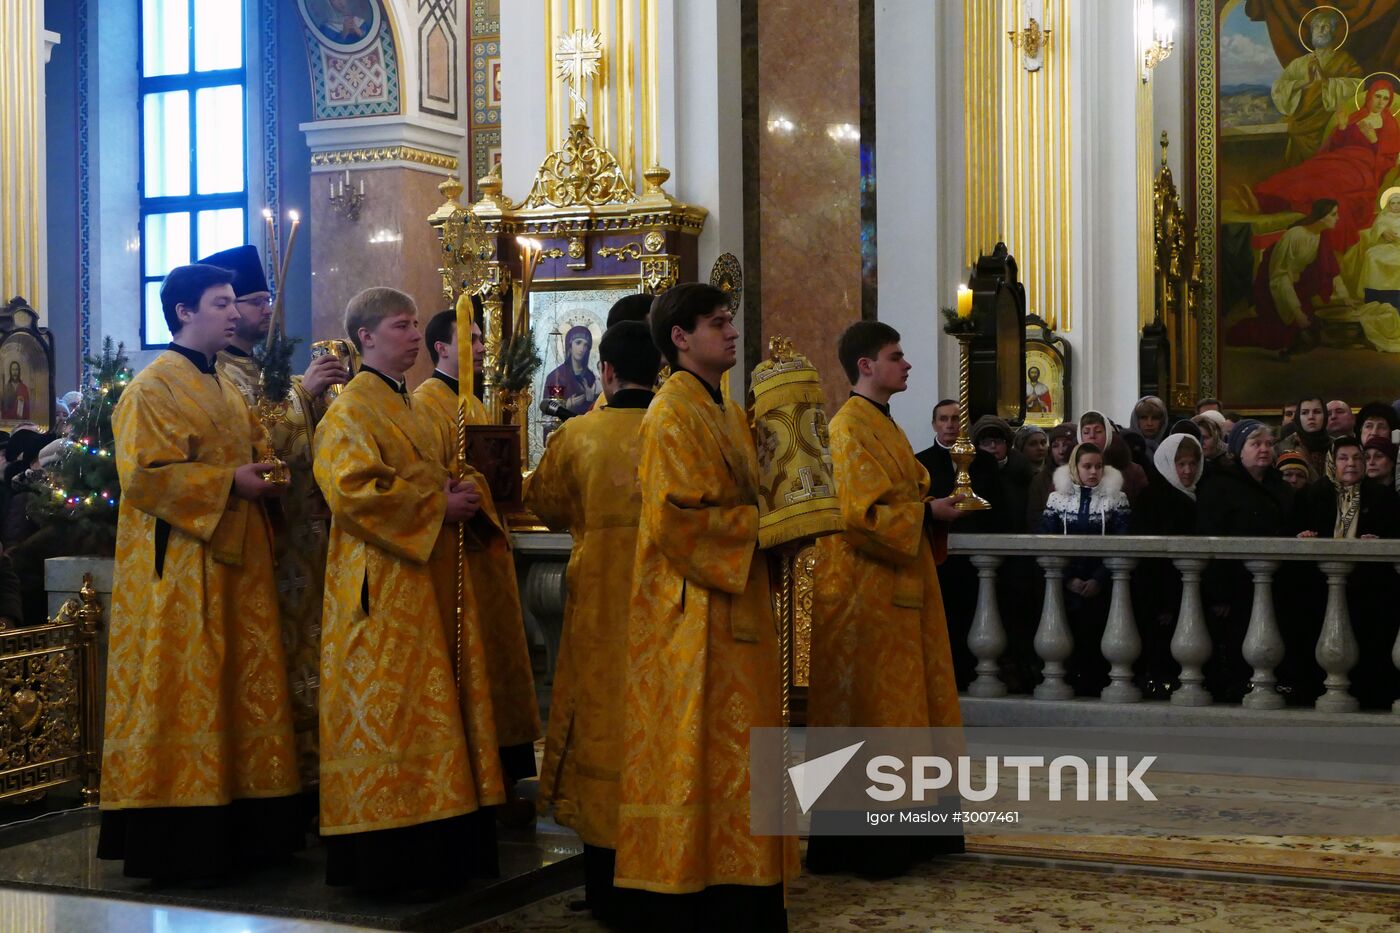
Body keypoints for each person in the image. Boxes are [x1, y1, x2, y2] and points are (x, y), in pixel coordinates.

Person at [97, 264, 301, 881]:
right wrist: (228, 483)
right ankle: (182, 835)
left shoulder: (226, 387)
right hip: (184, 569)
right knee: (188, 688)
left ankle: (247, 825)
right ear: (184, 312)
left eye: (235, 303)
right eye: (220, 304)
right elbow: (144, 476)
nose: (234, 313)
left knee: (237, 685)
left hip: (239, 562)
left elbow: (257, 445)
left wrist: (265, 469)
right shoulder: (151, 388)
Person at [612, 283, 795, 930]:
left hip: (735, 603)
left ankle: (744, 884)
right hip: (692, 615)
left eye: (730, 320)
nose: (731, 331)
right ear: (680, 338)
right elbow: (675, 518)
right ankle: (692, 892)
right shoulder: (671, 412)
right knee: (698, 753)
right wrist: (764, 523)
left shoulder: (724, 410)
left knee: (741, 753)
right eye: (717, 323)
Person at [314, 288, 503, 895]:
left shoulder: (417, 407)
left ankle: (442, 842)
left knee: (433, 714)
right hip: (382, 590)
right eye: (402, 325)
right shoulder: (349, 410)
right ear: (366, 337)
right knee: (392, 715)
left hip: (427, 580)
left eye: (418, 324)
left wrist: (462, 491)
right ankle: (388, 853)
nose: (415, 335)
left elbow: (444, 471)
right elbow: (350, 491)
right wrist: (435, 505)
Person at [807, 322, 965, 877]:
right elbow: (859, 514)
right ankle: (866, 844)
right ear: (865, 366)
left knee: (909, 709)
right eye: (896, 357)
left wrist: (930, 506)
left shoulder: (884, 424)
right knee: (873, 713)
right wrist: (927, 512)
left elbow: (907, 490)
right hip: (863, 595)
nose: (907, 364)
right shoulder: (849, 428)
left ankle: (918, 829)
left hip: (899, 586)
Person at [523, 321, 660, 923]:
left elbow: (546, 504)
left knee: (603, 730)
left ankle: (606, 885)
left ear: (604, 371)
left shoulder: (581, 434)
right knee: (658, 729)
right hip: (668, 603)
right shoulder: (675, 428)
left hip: (601, 603)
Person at [203, 244, 347, 798]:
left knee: (312, 656)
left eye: (268, 300)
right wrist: (302, 395)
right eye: (253, 301)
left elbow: (312, 446)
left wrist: (324, 399)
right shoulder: (221, 377)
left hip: (309, 539)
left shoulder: (266, 373)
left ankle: (317, 772)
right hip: (267, 539)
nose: (265, 311)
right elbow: (264, 447)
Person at [415, 309, 542, 803]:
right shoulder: (429, 402)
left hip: (488, 548)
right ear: (441, 349)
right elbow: (439, 473)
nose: (483, 348)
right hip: (461, 551)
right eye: (470, 340)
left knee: (499, 656)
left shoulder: (474, 402)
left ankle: (505, 770)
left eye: (482, 340)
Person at [1195, 420, 1294, 702]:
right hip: (1235, 585)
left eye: (1268, 444)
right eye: (1255, 444)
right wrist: (1219, 592)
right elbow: (1210, 538)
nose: (1264, 449)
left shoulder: (1281, 487)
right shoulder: (1220, 486)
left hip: (1275, 583)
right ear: (1239, 450)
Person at [1253, 79, 1400, 256]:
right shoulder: (1356, 117)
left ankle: (1268, 201)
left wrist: (1374, 141)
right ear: (1370, 96)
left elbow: (1389, 161)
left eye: (1385, 99)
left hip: (1361, 168)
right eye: (1377, 96)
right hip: (1338, 159)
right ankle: (1262, 197)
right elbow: (1336, 145)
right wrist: (1343, 128)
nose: (1380, 102)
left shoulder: (1390, 125)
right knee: (1306, 171)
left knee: (1325, 182)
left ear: (1389, 102)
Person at [914, 399, 1003, 688]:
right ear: (934, 424)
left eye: (955, 419)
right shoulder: (921, 463)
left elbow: (998, 507)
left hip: (979, 557)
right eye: (944, 419)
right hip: (940, 553)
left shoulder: (985, 462)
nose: (950, 425)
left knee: (977, 617)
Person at [1037, 443, 1130, 695]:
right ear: (1075, 467)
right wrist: (1069, 579)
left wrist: (1099, 579)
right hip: (1064, 583)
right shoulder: (1057, 499)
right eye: (1087, 466)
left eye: (1098, 466)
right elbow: (1046, 540)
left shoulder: (1116, 499)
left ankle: (1094, 686)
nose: (1093, 472)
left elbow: (1121, 544)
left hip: (1102, 583)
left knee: (1097, 638)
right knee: (1063, 637)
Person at [1131, 434, 1204, 698]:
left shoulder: (1199, 494)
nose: (1187, 471)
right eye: (1180, 464)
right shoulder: (1152, 498)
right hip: (1160, 592)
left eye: (1192, 464)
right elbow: (1149, 557)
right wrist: (1163, 601)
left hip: (1191, 589)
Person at [1228, 199, 1349, 353]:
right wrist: (1296, 312)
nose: (1337, 218)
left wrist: (1345, 296)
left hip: (1297, 287)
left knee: (1313, 328)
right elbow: (1279, 276)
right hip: (1274, 287)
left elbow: (1332, 269)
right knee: (1281, 336)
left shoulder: (1320, 236)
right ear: (1321, 216)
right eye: (1333, 214)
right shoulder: (1295, 235)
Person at [1268, 7, 1363, 166]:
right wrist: (1303, 83)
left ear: (1333, 32)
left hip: (1329, 124)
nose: (1320, 30)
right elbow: (1279, 88)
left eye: (1325, 26)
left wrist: (1326, 83)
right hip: (1301, 127)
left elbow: (1357, 85)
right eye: (1316, 27)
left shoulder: (1345, 61)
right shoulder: (1299, 63)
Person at [973, 415, 1033, 532]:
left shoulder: (1022, 469)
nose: (993, 446)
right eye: (986, 442)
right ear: (977, 446)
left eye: (998, 441)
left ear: (1008, 444)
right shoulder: (971, 472)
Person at [1079, 410, 1148, 502]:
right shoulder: (1070, 470)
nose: (1092, 436)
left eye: (1098, 431)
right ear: (1080, 436)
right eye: (1086, 432)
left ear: (1108, 435)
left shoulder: (1132, 471)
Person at [1025, 422, 1076, 527]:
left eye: (1066, 444)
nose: (1061, 451)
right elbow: (1035, 519)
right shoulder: (1040, 480)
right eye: (1055, 446)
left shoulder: (1088, 476)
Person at [544, 325, 601, 415]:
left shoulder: (591, 377)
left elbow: (598, 411)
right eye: (578, 343)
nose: (582, 349)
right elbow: (548, 411)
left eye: (586, 345)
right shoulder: (556, 376)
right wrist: (568, 404)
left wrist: (592, 398)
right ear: (570, 346)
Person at [1277, 395, 1330, 474]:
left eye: (1317, 412)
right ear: (1298, 417)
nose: (1311, 417)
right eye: (1304, 413)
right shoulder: (1281, 448)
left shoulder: (1336, 445)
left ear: (1325, 415)